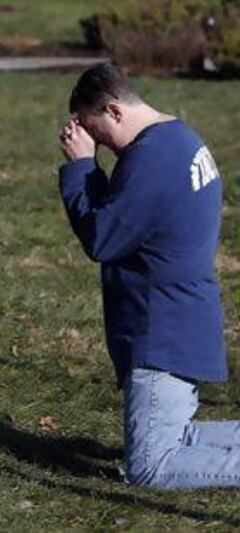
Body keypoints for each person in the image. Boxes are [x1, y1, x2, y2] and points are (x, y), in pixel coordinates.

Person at [58, 61, 240, 489]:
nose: (92, 140)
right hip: (184, 318)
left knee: (151, 466)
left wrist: (81, 167)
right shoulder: (179, 139)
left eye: (92, 127)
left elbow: (102, 238)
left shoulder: (151, 160)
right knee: (174, 439)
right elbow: (125, 219)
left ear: (115, 111)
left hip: (160, 330)